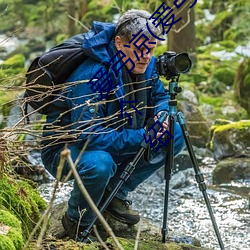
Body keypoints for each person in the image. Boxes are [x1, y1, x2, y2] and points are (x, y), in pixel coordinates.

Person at [41, 9, 185, 241]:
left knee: (175, 132)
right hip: (67, 150)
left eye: (151, 49)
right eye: (140, 49)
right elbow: (87, 136)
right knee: (100, 164)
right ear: (119, 43)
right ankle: (76, 221)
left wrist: (162, 116)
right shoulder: (92, 76)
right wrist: (142, 137)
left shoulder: (144, 62)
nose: (147, 56)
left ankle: (115, 193)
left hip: (117, 136)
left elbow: (159, 97)